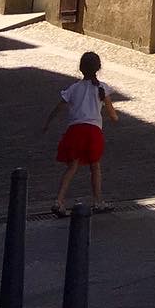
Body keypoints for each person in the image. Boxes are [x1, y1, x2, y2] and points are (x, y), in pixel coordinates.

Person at [44, 51, 118, 216]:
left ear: (81, 68)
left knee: (72, 167)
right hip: (93, 132)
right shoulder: (102, 88)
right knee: (95, 167)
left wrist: (47, 123)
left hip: (75, 131)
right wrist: (114, 117)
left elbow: (58, 107)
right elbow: (113, 115)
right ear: (98, 68)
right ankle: (98, 202)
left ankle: (59, 201)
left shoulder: (74, 88)